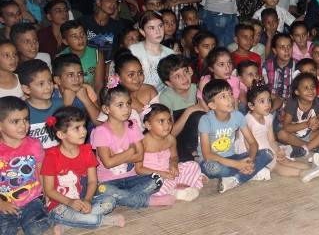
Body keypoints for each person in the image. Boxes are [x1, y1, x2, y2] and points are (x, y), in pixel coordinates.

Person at [41, 107, 124, 233]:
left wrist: (87, 200)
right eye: (77, 128)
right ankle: (102, 220)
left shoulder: (86, 151)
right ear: (61, 134)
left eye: (84, 126)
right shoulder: (51, 156)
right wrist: (70, 202)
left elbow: (92, 181)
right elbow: (49, 190)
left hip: (83, 199)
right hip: (59, 205)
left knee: (109, 201)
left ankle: (70, 223)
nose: (83, 131)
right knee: (61, 213)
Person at [90, 77, 170, 208]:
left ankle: (123, 198)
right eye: (120, 105)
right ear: (106, 109)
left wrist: (117, 157)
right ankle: (146, 201)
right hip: (108, 182)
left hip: (132, 179)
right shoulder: (101, 132)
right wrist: (132, 150)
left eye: (128, 103)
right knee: (103, 190)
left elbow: (140, 156)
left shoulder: (132, 126)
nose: (126, 109)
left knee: (156, 179)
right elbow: (108, 163)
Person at [197, 78, 274, 193]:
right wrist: (237, 164)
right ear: (212, 105)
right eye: (223, 96)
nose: (230, 99)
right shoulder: (205, 120)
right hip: (210, 161)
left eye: (230, 93)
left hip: (232, 157)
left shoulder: (237, 116)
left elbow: (253, 143)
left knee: (268, 153)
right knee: (216, 169)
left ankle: (235, 180)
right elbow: (207, 154)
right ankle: (252, 173)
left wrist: (250, 161)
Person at [239, 85, 319, 182]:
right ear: (251, 106)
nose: (267, 104)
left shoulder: (268, 117)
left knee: (285, 161)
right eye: (262, 101)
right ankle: (302, 173)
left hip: (266, 147)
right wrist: (255, 158)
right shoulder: (248, 121)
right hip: (253, 152)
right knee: (277, 166)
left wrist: (278, 150)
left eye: (269, 100)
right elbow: (249, 145)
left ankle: (313, 168)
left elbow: (271, 140)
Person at [0, 95, 52, 235]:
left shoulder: (34, 144)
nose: (23, 125)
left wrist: (48, 194)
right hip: (5, 203)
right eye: (15, 121)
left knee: (36, 229)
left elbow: (42, 171)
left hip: (33, 200)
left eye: (26, 119)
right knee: (5, 230)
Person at [135, 103, 205, 201]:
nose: (167, 125)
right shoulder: (142, 142)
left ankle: (181, 186)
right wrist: (162, 174)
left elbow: (174, 157)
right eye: (161, 121)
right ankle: (183, 187)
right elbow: (139, 169)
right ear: (148, 125)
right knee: (153, 186)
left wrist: (173, 164)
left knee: (193, 165)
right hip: (151, 176)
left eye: (169, 120)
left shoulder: (171, 139)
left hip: (168, 172)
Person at [156, 54, 207, 162]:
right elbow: (170, 133)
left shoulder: (197, 88)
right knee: (185, 160)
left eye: (185, 71)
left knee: (198, 116)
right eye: (177, 76)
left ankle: (198, 151)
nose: (184, 78)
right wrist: (189, 111)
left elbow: (208, 115)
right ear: (169, 83)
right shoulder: (166, 97)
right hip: (178, 136)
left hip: (199, 138)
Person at [277, 73, 319, 158]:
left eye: (312, 87)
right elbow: (287, 127)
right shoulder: (292, 103)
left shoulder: (317, 102)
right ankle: (312, 147)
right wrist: (307, 124)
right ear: (297, 92)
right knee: (281, 134)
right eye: (305, 88)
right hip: (294, 135)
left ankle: (304, 149)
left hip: (311, 134)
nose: (310, 90)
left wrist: (318, 123)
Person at [129, 12, 174, 93]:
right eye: (152, 28)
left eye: (160, 26)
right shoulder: (133, 50)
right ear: (142, 32)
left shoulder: (170, 53)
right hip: (138, 95)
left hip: (163, 97)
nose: (158, 31)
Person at [58, 20, 106, 95]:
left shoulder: (97, 54)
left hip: (92, 96)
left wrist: (96, 101)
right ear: (65, 41)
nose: (80, 39)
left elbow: (98, 85)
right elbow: (61, 87)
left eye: (82, 34)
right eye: (74, 36)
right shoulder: (59, 59)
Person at [197, 47, 247, 113]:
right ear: (211, 68)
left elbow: (235, 108)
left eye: (229, 62)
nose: (228, 68)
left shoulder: (234, 81)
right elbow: (206, 110)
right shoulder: (205, 81)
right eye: (222, 65)